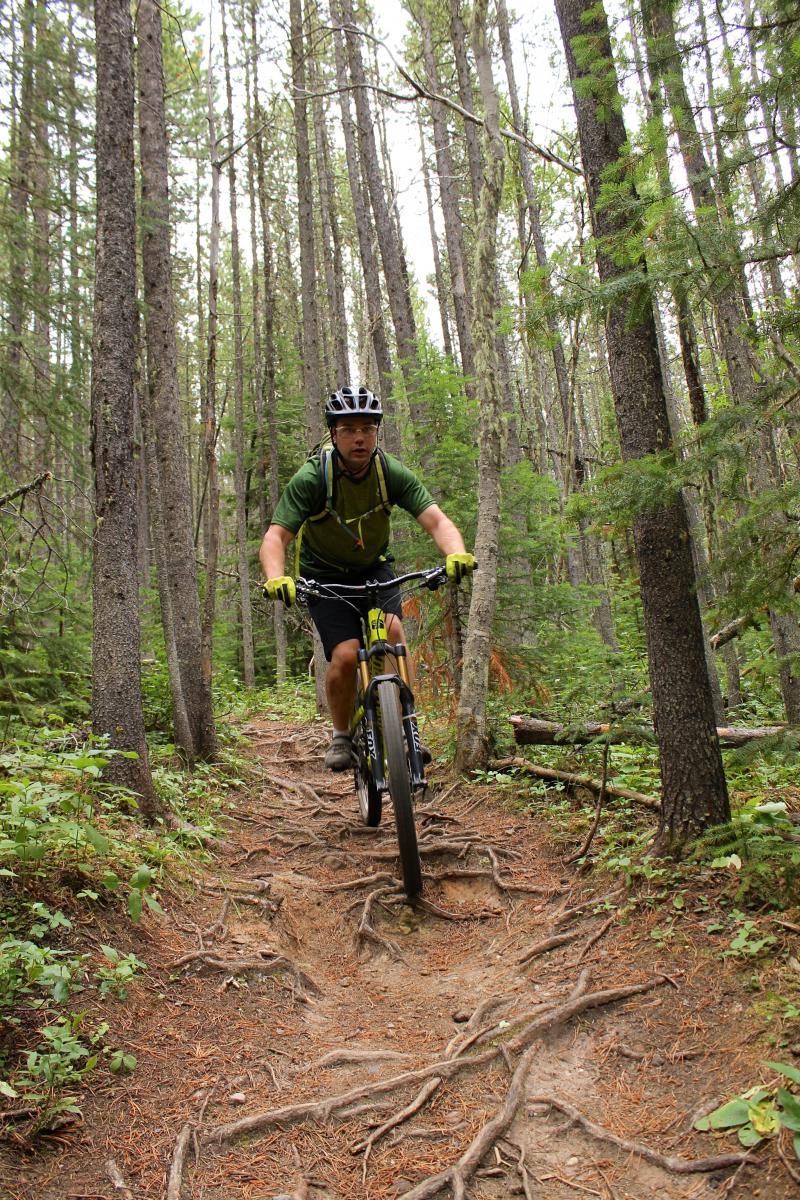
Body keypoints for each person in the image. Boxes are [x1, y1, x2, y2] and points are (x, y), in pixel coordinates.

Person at [260, 385, 474, 769]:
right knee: (343, 656)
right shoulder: (313, 479)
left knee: (392, 633)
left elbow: (436, 520)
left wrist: (455, 553)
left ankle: (406, 726)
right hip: (324, 577)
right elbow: (276, 536)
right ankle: (341, 736)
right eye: (348, 429)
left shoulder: (389, 472)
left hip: (374, 569)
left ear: (377, 432)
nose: (359, 438)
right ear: (333, 434)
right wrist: (277, 578)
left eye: (368, 429)